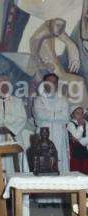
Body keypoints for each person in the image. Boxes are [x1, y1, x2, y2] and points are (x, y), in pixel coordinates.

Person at [32, 73, 70, 204]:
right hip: (43, 135)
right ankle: (44, 199)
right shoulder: (38, 100)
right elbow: (40, 115)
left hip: (59, 134)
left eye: (54, 82)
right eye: (49, 81)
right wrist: (56, 114)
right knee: (43, 163)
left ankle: (60, 199)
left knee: (59, 162)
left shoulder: (63, 100)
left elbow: (66, 117)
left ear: (57, 84)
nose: (51, 84)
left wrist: (50, 115)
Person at [0, 76, 29, 175]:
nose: (4, 87)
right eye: (2, 85)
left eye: (7, 85)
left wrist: (10, 128)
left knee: (18, 162)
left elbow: (22, 118)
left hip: (14, 136)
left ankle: (18, 186)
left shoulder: (18, 101)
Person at [68, 106, 88, 174]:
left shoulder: (86, 123)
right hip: (75, 152)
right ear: (73, 114)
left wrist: (80, 140)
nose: (80, 115)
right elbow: (76, 136)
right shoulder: (70, 124)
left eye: (82, 113)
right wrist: (80, 126)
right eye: (77, 113)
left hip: (85, 151)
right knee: (77, 172)